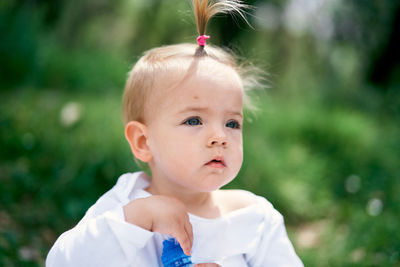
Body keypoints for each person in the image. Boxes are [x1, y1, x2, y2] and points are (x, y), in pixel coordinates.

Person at [46, 0, 303, 266]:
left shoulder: (254, 218)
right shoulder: (128, 203)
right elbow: (62, 261)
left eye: (232, 123)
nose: (220, 136)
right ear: (143, 141)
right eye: (193, 120)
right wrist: (136, 219)